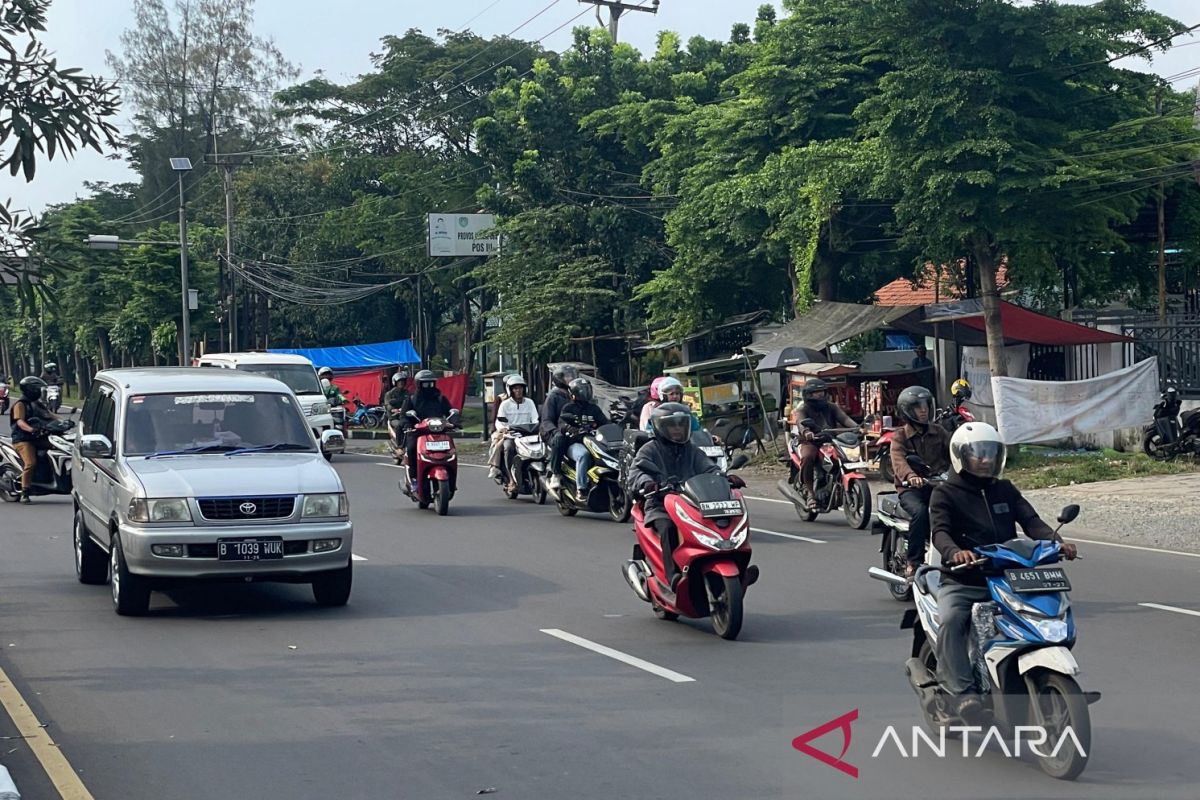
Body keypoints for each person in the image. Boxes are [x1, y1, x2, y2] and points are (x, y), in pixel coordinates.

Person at [929, 422, 1078, 719]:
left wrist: (1057, 542)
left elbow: (1031, 521)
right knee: (951, 619)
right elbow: (940, 532)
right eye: (978, 453)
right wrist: (955, 553)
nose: (985, 460)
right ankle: (962, 691)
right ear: (961, 456)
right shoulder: (945, 493)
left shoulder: (1004, 489)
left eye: (991, 453)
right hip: (964, 577)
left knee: (1048, 610)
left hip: (1008, 576)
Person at [630, 403, 744, 590]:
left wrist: (725, 477)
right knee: (667, 528)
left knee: (720, 523)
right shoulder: (649, 449)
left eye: (681, 425)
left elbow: (709, 468)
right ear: (660, 427)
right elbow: (637, 471)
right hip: (661, 504)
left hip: (692, 502)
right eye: (672, 425)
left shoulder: (692, 450)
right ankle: (672, 575)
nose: (677, 429)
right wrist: (647, 483)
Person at [889, 386, 951, 576]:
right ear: (907, 410)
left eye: (925, 405)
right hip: (911, 489)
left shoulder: (939, 432)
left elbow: (955, 452)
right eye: (918, 406)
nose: (923, 410)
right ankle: (913, 561)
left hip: (938, 485)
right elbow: (898, 460)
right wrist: (911, 476)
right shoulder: (900, 436)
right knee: (920, 512)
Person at [792, 378, 857, 509]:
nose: (821, 395)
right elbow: (801, 422)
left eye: (822, 392)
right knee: (808, 457)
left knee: (844, 456)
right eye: (817, 392)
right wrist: (806, 432)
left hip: (830, 440)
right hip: (811, 441)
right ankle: (810, 492)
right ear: (809, 394)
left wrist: (858, 427)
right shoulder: (802, 409)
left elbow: (844, 418)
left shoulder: (831, 406)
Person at [549, 378, 608, 495]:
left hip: (592, 441)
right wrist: (570, 428)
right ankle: (581, 488)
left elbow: (605, 422)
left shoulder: (594, 408)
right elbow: (562, 423)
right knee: (583, 455)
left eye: (587, 390)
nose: (586, 393)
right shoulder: (568, 408)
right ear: (574, 393)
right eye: (582, 391)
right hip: (574, 443)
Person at [399, 370, 453, 491]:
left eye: (431, 383)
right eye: (425, 384)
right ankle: (414, 478)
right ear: (418, 384)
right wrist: (408, 425)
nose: (428, 387)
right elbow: (403, 416)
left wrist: (455, 421)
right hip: (417, 432)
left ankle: (451, 476)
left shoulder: (440, 398)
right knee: (412, 448)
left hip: (438, 432)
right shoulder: (412, 399)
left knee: (450, 450)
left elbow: (450, 411)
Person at [8, 376, 57, 503]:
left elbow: (49, 415)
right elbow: (20, 422)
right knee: (30, 463)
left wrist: (64, 423)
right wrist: (31, 429)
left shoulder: (36, 403)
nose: (39, 391)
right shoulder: (20, 405)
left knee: (57, 448)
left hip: (37, 437)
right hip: (23, 439)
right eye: (37, 389)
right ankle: (25, 491)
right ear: (30, 390)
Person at [491, 374, 540, 490]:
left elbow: (535, 419)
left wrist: (537, 425)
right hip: (511, 436)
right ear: (510, 390)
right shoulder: (505, 404)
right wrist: (503, 428)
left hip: (528, 435)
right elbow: (499, 421)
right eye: (515, 388)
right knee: (508, 448)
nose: (518, 391)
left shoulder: (530, 402)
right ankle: (511, 479)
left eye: (520, 388)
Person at [541, 364, 578, 482]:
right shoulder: (553, 396)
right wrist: (556, 431)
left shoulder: (575, 395)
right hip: (553, 431)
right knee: (560, 439)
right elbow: (546, 420)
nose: (571, 378)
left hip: (572, 430)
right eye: (567, 376)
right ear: (559, 378)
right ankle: (555, 473)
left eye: (572, 376)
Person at [384, 370, 410, 445]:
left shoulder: (407, 393)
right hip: (394, 417)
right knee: (399, 425)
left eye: (402, 381)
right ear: (395, 382)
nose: (401, 383)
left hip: (405, 416)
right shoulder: (389, 394)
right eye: (399, 381)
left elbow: (411, 402)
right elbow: (387, 405)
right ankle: (399, 445)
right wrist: (393, 409)